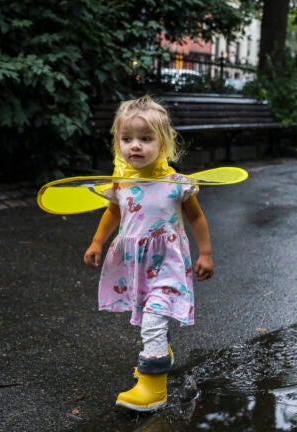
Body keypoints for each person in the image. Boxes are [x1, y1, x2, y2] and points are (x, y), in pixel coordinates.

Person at [83, 96, 214, 412]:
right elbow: (113, 213)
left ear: (164, 143)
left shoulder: (177, 184)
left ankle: (154, 388)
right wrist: (97, 242)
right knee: (147, 314)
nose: (135, 146)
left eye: (145, 138)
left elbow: (196, 217)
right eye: (127, 139)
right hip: (135, 264)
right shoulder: (121, 183)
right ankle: (161, 352)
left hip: (168, 263)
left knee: (153, 318)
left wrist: (206, 253)